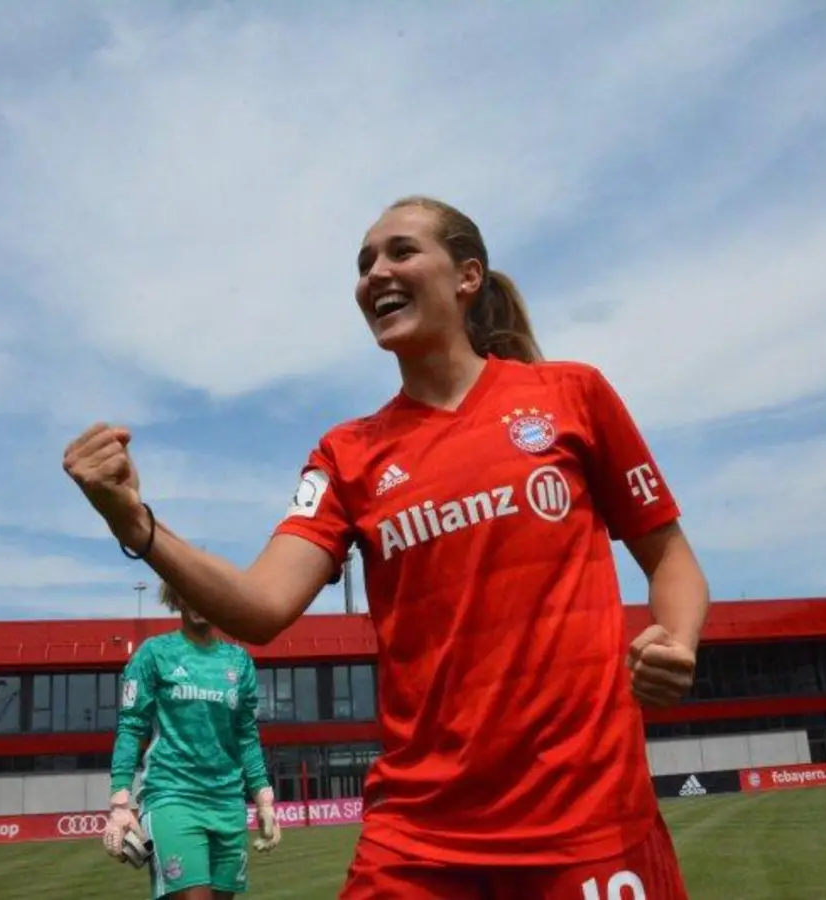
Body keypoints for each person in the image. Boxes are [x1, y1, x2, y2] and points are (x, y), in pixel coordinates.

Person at [66, 195, 711, 899]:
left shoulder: (572, 395)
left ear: (468, 276)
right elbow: (259, 607)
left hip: (588, 821)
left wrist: (677, 639)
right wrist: (138, 526)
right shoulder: (348, 455)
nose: (375, 273)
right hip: (418, 839)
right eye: (364, 262)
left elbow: (670, 558)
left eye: (401, 251)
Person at [103, 582, 282, 900]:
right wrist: (120, 802)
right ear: (177, 597)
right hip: (172, 796)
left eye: (208, 592)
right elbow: (131, 726)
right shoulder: (154, 654)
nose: (200, 601)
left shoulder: (238, 662)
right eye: (191, 592)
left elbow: (246, 735)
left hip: (228, 803)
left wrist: (264, 799)